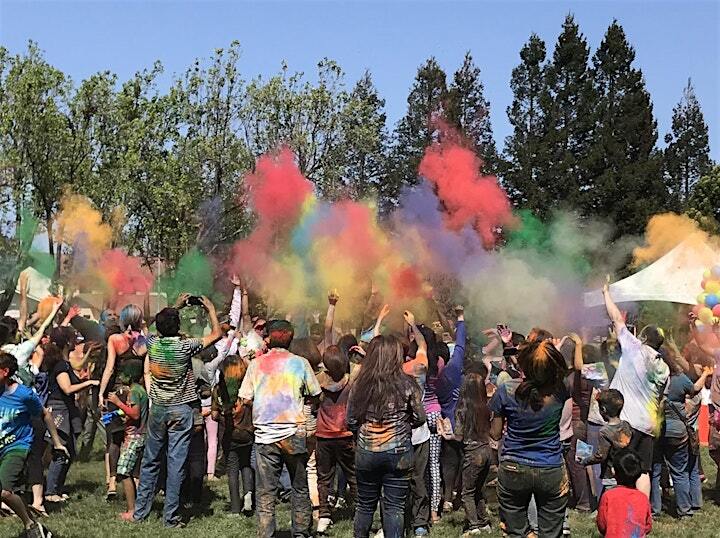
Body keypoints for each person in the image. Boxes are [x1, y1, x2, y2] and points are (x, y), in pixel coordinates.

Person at [131, 294, 221, 528]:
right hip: (181, 410)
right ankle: (170, 517)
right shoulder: (185, 346)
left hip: (158, 409)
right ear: (178, 326)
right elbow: (216, 335)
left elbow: (142, 336)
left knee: (151, 461)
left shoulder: (152, 343)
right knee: (175, 463)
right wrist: (210, 309)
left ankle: (140, 512)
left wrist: (174, 306)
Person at [238, 319, 321, 538]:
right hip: (294, 432)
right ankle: (301, 533)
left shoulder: (256, 364)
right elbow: (316, 393)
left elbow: (245, 398)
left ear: (268, 338)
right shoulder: (301, 363)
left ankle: (266, 534)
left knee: (266, 491)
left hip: (265, 436)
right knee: (299, 487)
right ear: (291, 338)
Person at [489, 339, 571, 538]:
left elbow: (495, 434)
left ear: (524, 364)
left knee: (516, 532)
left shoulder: (506, 390)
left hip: (513, 468)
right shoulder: (561, 390)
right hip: (550, 468)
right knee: (551, 533)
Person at [346, 334, 426, 538]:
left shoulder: (359, 384)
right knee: (394, 507)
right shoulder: (408, 384)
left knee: (364, 506)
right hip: (398, 453)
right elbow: (419, 418)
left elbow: (351, 420)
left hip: (366, 451)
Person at [603, 280, 669, 496]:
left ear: (643, 338)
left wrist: (606, 292)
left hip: (627, 423)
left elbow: (616, 318)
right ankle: (642, 508)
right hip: (647, 425)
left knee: (621, 467)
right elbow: (661, 398)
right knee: (643, 470)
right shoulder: (663, 367)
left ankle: (621, 506)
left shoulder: (634, 349)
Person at [0, 351, 69, 538]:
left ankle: (31, 525)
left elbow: (45, 414)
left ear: (4, 372)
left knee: (5, 492)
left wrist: (56, 442)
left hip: (17, 446)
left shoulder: (23, 395)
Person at [650, 346, 711, 518]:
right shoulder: (679, 379)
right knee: (679, 471)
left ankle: (654, 510)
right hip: (678, 432)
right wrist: (705, 375)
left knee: (654, 472)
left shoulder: (651, 379)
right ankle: (685, 510)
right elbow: (694, 390)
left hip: (656, 430)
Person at [98, 304, 146, 500]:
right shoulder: (144, 341)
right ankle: (135, 479)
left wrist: (101, 392)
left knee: (114, 439)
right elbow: (146, 372)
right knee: (135, 437)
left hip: (115, 395)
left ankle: (112, 483)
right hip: (136, 394)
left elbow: (109, 368)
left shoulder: (114, 339)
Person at [43, 342, 99, 503]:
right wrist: (89, 383)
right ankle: (51, 492)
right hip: (59, 408)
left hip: (68, 408)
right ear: (66, 342)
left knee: (71, 450)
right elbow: (66, 388)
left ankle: (58, 489)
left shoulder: (65, 363)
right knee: (61, 450)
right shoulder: (60, 366)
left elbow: (78, 365)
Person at [315, 344, 356, 534]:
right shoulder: (352, 379)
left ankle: (323, 515)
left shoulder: (319, 380)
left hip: (323, 435)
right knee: (354, 476)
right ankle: (360, 512)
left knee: (324, 477)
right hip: (345, 434)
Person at [212, 355, 255, 516]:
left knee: (232, 470)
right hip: (248, 433)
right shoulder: (247, 388)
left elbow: (214, 415)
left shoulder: (218, 390)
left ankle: (236, 508)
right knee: (246, 465)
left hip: (230, 436)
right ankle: (249, 493)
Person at [106, 362, 148, 520]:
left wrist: (118, 402)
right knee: (128, 471)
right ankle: (136, 507)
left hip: (135, 437)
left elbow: (135, 414)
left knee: (123, 471)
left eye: (123, 373)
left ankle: (132, 511)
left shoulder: (135, 391)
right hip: (134, 434)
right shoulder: (138, 390)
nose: (120, 377)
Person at [454, 367, 492, 536]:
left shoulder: (462, 409)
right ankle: (484, 522)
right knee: (479, 490)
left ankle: (473, 526)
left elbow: (459, 435)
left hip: (473, 452)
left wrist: (446, 433)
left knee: (467, 493)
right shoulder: (485, 407)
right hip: (486, 450)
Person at [578, 389, 632, 494]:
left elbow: (601, 455)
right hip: (625, 471)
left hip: (610, 474)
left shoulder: (604, 431)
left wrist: (586, 460)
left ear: (603, 409)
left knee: (610, 502)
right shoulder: (626, 425)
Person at [596, 449, 652, 538]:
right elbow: (648, 525)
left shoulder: (608, 496)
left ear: (613, 471)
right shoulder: (643, 498)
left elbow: (602, 524)